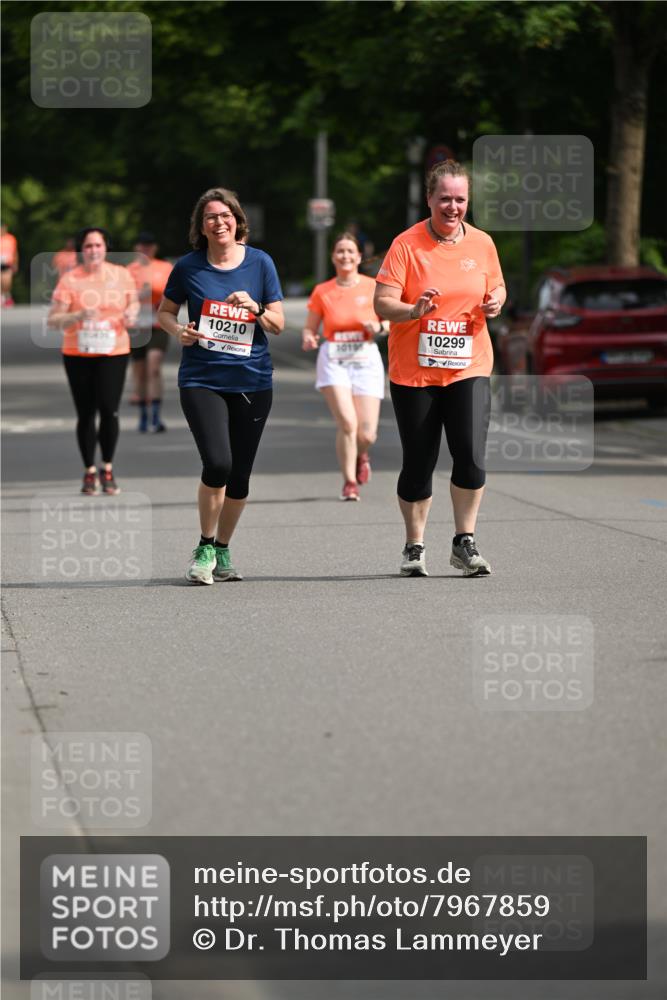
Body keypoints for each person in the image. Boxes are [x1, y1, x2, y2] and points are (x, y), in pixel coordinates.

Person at [374, 159, 506, 577]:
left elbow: (497, 285)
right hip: (415, 370)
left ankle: (464, 541)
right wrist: (413, 309)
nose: (453, 207)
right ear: (429, 199)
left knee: (470, 455)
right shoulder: (406, 245)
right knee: (419, 459)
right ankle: (414, 545)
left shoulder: (482, 243)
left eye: (460, 199)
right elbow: (382, 303)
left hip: (469, 364)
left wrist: (496, 301)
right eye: (445, 198)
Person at [157, 187, 284, 585]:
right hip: (202, 378)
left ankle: (223, 548)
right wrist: (179, 330)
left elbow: (278, 324)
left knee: (241, 476)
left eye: (225, 215)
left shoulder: (261, 264)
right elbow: (164, 312)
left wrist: (257, 308)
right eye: (211, 216)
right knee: (218, 463)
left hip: (252, 381)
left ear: (237, 220)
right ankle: (204, 546)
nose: (219, 222)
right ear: (202, 226)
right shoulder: (189, 267)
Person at [47, 227, 139, 495]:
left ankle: (107, 467)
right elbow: (53, 320)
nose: (93, 251)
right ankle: (89, 470)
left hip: (114, 351)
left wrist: (131, 315)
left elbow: (132, 304)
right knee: (86, 413)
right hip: (78, 353)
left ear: (106, 248)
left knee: (110, 409)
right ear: (81, 250)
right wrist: (77, 316)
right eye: (88, 246)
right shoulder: (70, 280)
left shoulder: (121, 275)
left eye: (98, 245)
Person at [302, 231, 387, 501]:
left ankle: (362, 453)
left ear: (359, 257)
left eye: (350, 251)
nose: (345, 256)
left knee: (368, 433)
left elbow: (392, 320)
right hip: (334, 360)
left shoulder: (373, 286)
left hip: (366, 360)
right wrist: (308, 337)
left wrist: (379, 326)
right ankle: (349, 482)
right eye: (340, 251)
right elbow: (310, 327)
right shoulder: (322, 291)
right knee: (348, 424)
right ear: (332, 257)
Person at [127, 232, 173, 432]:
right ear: (136, 248)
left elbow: (175, 293)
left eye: (149, 245)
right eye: (142, 246)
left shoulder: (164, 268)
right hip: (136, 326)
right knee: (140, 371)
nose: (146, 249)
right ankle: (143, 416)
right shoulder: (128, 271)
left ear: (154, 248)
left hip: (158, 324)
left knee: (154, 366)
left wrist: (162, 301)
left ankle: (156, 415)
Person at [1, 222, 18, 307]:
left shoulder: (11, 238)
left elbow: (15, 252)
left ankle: (6, 296)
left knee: (7, 282)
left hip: (7, 263)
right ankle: (3, 298)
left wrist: (15, 263)